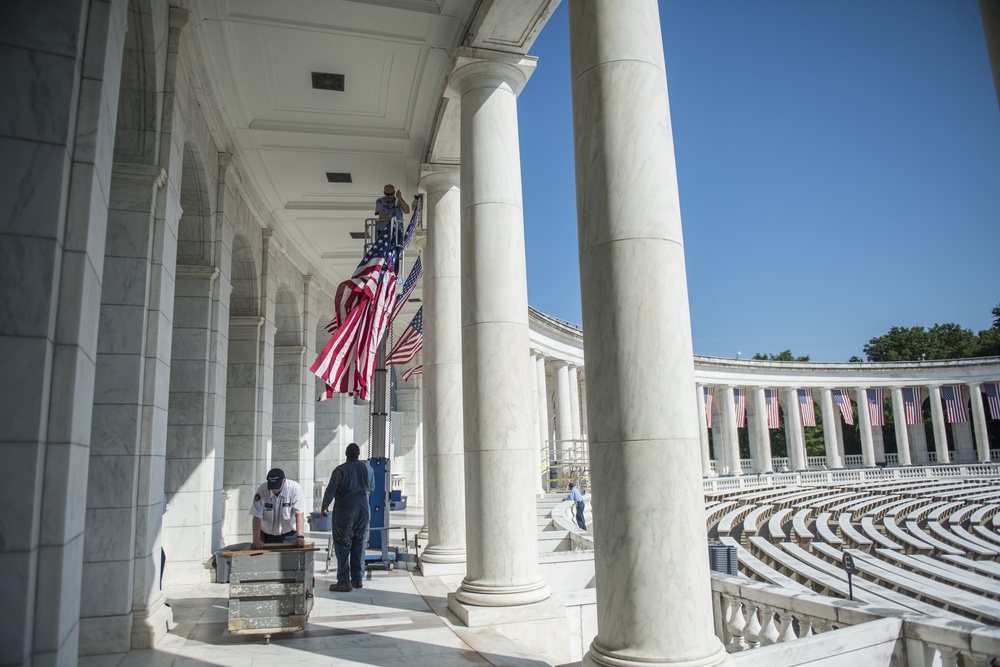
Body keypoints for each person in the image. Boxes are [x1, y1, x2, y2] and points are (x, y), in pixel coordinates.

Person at [321, 443, 375, 592]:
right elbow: (371, 488)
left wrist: (324, 505)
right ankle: (357, 579)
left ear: (346, 453)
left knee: (343, 545)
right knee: (359, 542)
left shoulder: (340, 470)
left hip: (345, 510)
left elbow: (331, 490)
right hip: (364, 509)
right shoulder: (368, 469)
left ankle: (344, 581)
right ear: (359, 454)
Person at [250, 468, 307, 549]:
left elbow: (299, 514)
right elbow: (256, 516)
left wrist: (300, 536)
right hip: (267, 536)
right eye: (272, 487)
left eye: (277, 487)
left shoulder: (295, 489)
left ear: (284, 481)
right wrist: (256, 539)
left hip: (289, 535)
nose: (274, 490)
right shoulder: (262, 490)